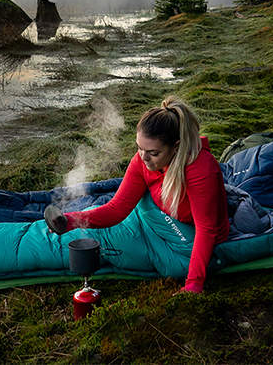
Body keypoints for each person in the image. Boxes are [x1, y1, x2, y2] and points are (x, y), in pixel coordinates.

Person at [45, 97, 229, 293]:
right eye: (139, 148)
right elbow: (116, 209)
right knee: (101, 232)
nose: (143, 157)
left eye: (153, 153)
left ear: (176, 147)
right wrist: (71, 221)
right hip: (158, 219)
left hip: (189, 234)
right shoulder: (142, 160)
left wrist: (193, 284)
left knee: (176, 267)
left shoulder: (200, 169)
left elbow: (206, 229)